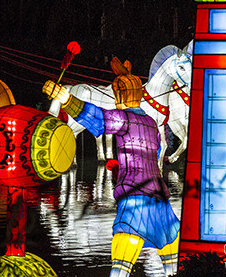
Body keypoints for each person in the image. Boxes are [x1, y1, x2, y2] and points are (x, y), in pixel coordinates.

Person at [43, 58, 180, 277]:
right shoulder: (151, 123)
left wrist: (65, 98)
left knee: (121, 268)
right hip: (162, 205)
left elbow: (97, 119)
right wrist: (121, 169)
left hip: (135, 204)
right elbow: (152, 157)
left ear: (120, 95)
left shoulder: (124, 118)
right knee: (172, 268)